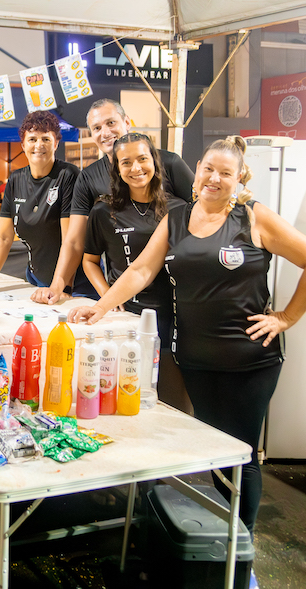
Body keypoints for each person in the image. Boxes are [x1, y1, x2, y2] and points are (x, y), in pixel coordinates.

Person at [69, 135, 306, 536]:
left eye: (225, 173)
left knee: (241, 454)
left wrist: (285, 318)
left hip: (248, 359)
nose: (214, 178)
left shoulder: (253, 218)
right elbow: (141, 270)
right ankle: (227, 538)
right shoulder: (176, 218)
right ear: (196, 171)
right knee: (217, 450)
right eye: (208, 169)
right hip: (194, 357)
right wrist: (101, 306)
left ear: (239, 177)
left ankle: (240, 549)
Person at [32, 98, 194, 305]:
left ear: (126, 122)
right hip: (126, 293)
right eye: (97, 128)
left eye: (111, 123)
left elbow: (203, 214)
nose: (105, 132)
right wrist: (58, 286)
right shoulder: (88, 178)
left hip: (177, 291)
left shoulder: (170, 163)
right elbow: (74, 241)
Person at [81, 133, 190, 411]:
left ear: (155, 161)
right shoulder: (103, 211)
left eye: (142, 159)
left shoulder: (180, 209)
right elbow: (89, 261)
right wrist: (107, 296)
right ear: (117, 168)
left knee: (173, 403)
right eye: (126, 162)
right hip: (126, 318)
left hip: (174, 318)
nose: (136, 168)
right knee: (125, 398)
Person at [0, 111, 91, 297]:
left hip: (73, 284)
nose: (39, 145)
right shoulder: (15, 180)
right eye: (32, 139)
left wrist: (62, 287)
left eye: (46, 139)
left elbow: (71, 240)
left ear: (56, 143)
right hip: (36, 279)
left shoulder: (68, 175)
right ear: (23, 145)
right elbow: (3, 237)